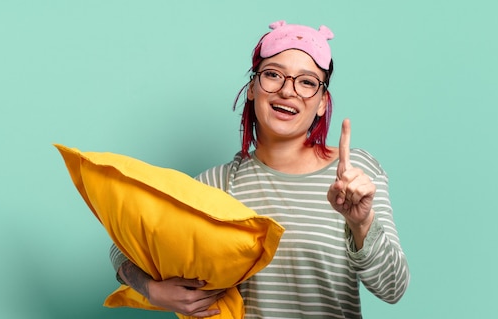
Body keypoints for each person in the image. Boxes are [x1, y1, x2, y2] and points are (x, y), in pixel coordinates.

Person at [110, 20, 410, 318]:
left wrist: (361, 223)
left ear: (322, 102)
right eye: (273, 75)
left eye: (306, 82)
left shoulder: (355, 177)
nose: (287, 91)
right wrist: (152, 291)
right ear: (252, 87)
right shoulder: (217, 183)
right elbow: (124, 248)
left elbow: (393, 288)